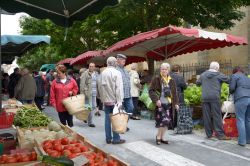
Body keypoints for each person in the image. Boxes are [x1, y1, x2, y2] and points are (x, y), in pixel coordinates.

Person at [196, 61, 230, 140]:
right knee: (217, 116)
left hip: (205, 97)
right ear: (217, 68)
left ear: (210, 67)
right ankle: (220, 135)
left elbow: (197, 83)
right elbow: (229, 80)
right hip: (215, 97)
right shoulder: (219, 75)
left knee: (206, 116)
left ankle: (209, 134)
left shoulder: (203, 74)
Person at [149, 63, 179, 145]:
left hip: (169, 104)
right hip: (160, 104)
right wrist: (156, 100)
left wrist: (176, 103)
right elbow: (151, 90)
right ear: (160, 70)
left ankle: (162, 137)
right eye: (162, 69)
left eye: (165, 69)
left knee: (167, 121)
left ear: (168, 70)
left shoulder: (171, 80)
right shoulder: (157, 79)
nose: (164, 70)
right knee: (162, 121)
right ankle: (158, 136)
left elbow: (175, 93)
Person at [99, 57, 125, 144]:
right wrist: (120, 101)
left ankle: (108, 138)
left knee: (107, 119)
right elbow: (119, 88)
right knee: (115, 119)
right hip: (115, 100)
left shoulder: (102, 73)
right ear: (115, 63)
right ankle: (116, 139)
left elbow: (100, 87)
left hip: (106, 100)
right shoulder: (117, 73)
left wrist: (102, 99)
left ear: (107, 63)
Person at [229, 66, 250, 146]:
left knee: (240, 119)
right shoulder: (247, 77)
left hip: (241, 98)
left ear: (235, 71)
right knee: (248, 119)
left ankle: (242, 141)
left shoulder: (234, 76)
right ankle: (248, 140)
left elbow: (232, 88)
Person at [116, 54, 134, 131]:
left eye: (124, 59)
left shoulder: (126, 70)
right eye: (122, 59)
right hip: (120, 96)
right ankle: (121, 126)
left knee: (130, 108)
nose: (124, 61)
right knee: (120, 111)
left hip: (128, 95)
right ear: (118, 60)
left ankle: (124, 124)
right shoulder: (116, 70)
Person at [80, 63, 98, 127]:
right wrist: (84, 92)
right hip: (88, 94)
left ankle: (84, 116)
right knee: (89, 108)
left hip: (94, 93)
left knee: (93, 107)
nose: (91, 67)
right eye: (90, 66)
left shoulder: (96, 74)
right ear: (88, 67)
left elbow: (97, 83)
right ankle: (90, 122)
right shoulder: (85, 73)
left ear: (94, 67)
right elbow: (82, 84)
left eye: (92, 66)